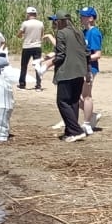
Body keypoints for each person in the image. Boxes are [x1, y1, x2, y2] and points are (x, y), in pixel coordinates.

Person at [49, 10, 89, 142]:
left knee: (62, 101)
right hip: (79, 72)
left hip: (66, 72)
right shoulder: (79, 33)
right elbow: (87, 53)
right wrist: (87, 71)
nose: (54, 24)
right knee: (73, 102)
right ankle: (70, 131)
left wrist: (48, 64)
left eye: (55, 21)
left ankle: (76, 130)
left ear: (60, 21)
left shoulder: (61, 33)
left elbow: (61, 55)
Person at [79, 6, 103, 135]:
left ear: (91, 18)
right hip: (81, 67)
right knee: (75, 96)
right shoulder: (83, 32)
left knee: (86, 95)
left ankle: (87, 123)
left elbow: (97, 54)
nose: (81, 18)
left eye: (83, 16)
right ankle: (91, 115)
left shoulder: (94, 33)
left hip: (90, 67)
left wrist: (84, 59)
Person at [17, 7, 45, 91]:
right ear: (35, 14)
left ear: (28, 14)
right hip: (37, 46)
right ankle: (38, 85)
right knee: (37, 66)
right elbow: (42, 35)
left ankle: (22, 84)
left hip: (27, 46)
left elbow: (19, 34)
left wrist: (21, 36)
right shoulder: (40, 23)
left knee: (24, 66)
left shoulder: (25, 23)